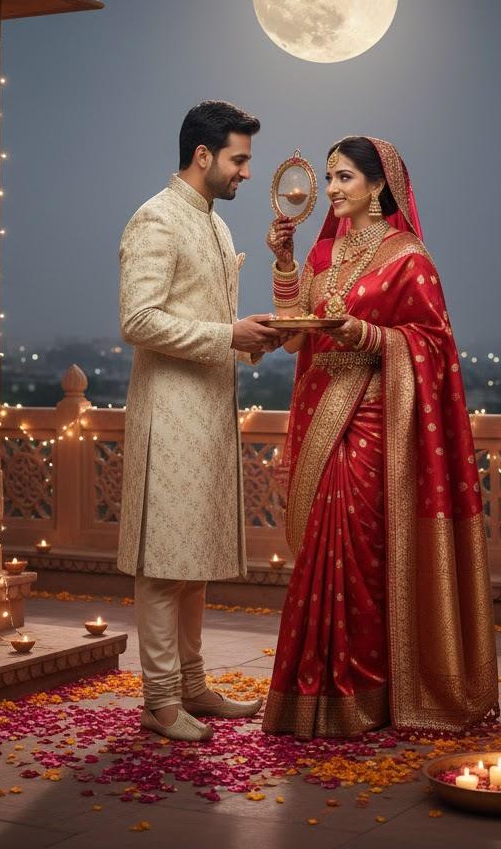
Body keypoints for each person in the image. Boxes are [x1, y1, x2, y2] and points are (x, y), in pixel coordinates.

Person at [261, 135, 500, 739]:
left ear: (377, 186)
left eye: (344, 178)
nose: (332, 190)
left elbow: (433, 344)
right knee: (320, 555)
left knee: (362, 558)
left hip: (372, 425)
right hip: (323, 419)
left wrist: (365, 335)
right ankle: (312, 695)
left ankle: (369, 692)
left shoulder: (408, 256)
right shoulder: (326, 255)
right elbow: (295, 335)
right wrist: (286, 262)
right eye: (329, 177)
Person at [118, 100, 282, 741]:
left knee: (192, 559)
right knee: (164, 562)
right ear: (204, 155)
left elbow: (211, 323)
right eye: (239, 160)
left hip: (208, 413)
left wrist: (248, 336)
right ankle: (159, 701)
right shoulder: (156, 219)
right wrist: (226, 334)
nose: (246, 173)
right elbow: (138, 320)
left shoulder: (213, 225)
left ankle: (190, 686)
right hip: (168, 414)